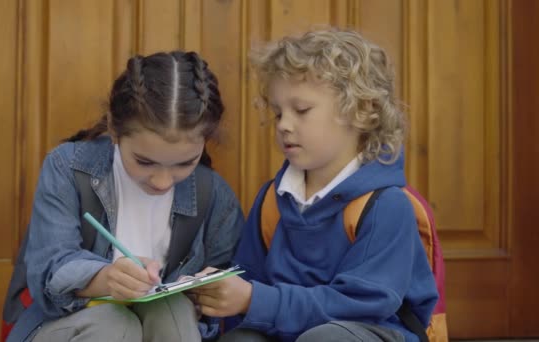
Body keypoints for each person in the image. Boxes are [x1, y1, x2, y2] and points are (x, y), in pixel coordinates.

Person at [188, 28, 438, 342]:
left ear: (361, 110)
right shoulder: (272, 200)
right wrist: (222, 291)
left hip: (368, 331)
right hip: (289, 329)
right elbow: (250, 283)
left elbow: (361, 306)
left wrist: (255, 299)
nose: (284, 125)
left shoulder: (386, 205)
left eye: (301, 110)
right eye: (278, 112)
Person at [23, 51, 244, 342]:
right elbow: (49, 268)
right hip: (71, 326)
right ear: (114, 128)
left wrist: (210, 293)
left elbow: (224, 286)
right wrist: (105, 279)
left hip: (170, 327)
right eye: (145, 162)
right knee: (115, 325)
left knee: (173, 309)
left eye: (184, 163)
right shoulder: (68, 167)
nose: (163, 182)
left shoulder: (214, 195)